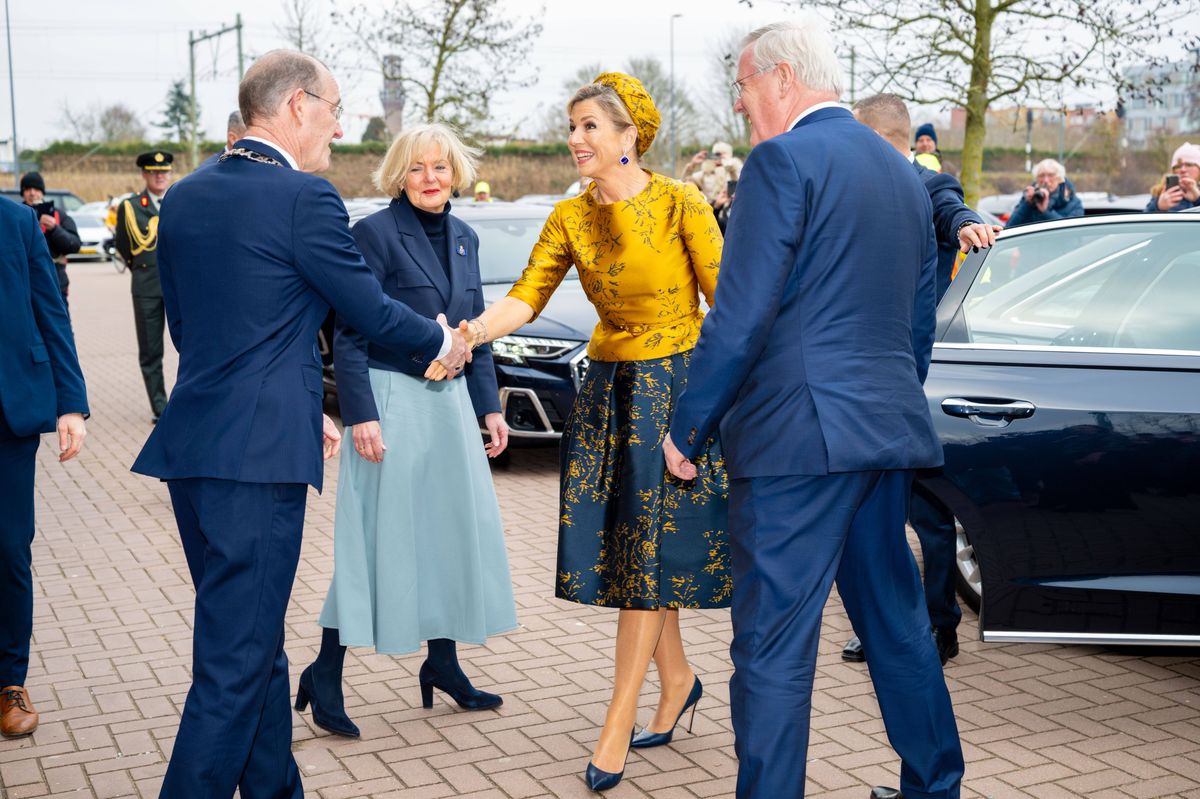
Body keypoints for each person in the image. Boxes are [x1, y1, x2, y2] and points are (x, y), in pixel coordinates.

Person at [130, 49, 469, 799]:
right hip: (257, 461)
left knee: (251, 641)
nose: (340, 127)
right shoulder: (303, 199)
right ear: (296, 107)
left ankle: (278, 788)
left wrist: (294, 396)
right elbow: (367, 309)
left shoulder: (182, 197)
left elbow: (192, 329)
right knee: (233, 662)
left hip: (195, 448)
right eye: (335, 110)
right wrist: (445, 340)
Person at [662, 20, 963, 799]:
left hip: (796, 444)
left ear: (783, 78)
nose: (739, 102)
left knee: (772, 646)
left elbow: (740, 313)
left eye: (744, 83)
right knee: (896, 623)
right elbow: (918, 319)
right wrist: (882, 399)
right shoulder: (903, 173)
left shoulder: (781, 160)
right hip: (882, 434)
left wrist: (688, 423)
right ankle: (934, 786)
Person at [445, 71, 729, 792]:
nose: (575, 139)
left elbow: (729, 306)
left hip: (674, 388)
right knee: (637, 547)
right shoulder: (569, 217)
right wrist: (470, 332)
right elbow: (526, 298)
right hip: (607, 392)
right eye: (571, 127)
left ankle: (618, 720)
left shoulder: (681, 202)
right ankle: (679, 679)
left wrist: (716, 406)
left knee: (647, 552)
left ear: (630, 136)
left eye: (589, 127)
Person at [299, 123, 517, 737]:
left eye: (441, 168)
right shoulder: (371, 234)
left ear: (456, 174)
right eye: (418, 168)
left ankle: (443, 664)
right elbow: (348, 332)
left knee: (449, 531)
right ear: (399, 173)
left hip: (449, 405)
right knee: (375, 540)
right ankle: (325, 671)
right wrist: (360, 413)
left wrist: (489, 406)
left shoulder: (469, 237)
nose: (430, 179)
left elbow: (474, 328)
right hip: (391, 402)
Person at [841, 93, 1001, 668]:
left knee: (927, 515)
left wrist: (965, 225)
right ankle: (884, 624)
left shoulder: (925, 184)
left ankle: (939, 626)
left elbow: (950, 206)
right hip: (856, 385)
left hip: (914, 383)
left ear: (882, 137)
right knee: (869, 518)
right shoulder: (850, 190)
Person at [0, 200, 88, 738]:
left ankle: (9, 682)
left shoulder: (15, 222)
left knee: (10, 547)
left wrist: (70, 404)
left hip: (8, 414)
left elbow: (50, 309)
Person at [113, 150, 174, 422]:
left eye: (164, 171)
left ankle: (188, 402)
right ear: (144, 174)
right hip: (147, 285)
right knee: (151, 350)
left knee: (191, 345)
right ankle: (161, 407)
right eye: (153, 172)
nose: (159, 176)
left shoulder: (181, 199)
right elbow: (124, 246)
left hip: (179, 286)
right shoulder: (131, 206)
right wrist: (141, 269)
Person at [19, 171, 81, 306]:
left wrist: (55, 229)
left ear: (42, 192)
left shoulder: (59, 215)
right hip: (25, 284)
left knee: (60, 326)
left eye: (36, 189)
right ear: (23, 193)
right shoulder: (16, 216)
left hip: (56, 283)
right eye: (28, 189)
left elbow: (74, 245)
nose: (32, 193)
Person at [1006, 158, 1083, 228]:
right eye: (1041, 176)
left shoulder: (1074, 203)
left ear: (1059, 179)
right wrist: (1027, 204)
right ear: (1036, 179)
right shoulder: (1029, 199)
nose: (1045, 180)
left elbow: (1072, 232)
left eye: (1051, 175)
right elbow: (1009, 228)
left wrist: (1046, 212)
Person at [680, 140, 742, 205]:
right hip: (711, 210)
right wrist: (693, 164)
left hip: (730, 210)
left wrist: (725, 162)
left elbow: (740, 179)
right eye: (717, 154)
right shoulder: (705, 174)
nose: (719, 156)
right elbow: (684, 183)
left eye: (723, 153)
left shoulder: (734, 172)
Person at [1145, 142, 1200, 213]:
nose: (1183, 170)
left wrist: (1198, 199)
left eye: (1189, 165)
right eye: (1178, 166)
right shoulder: (1162, 192)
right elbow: (1142, 221)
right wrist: (1158, 207)